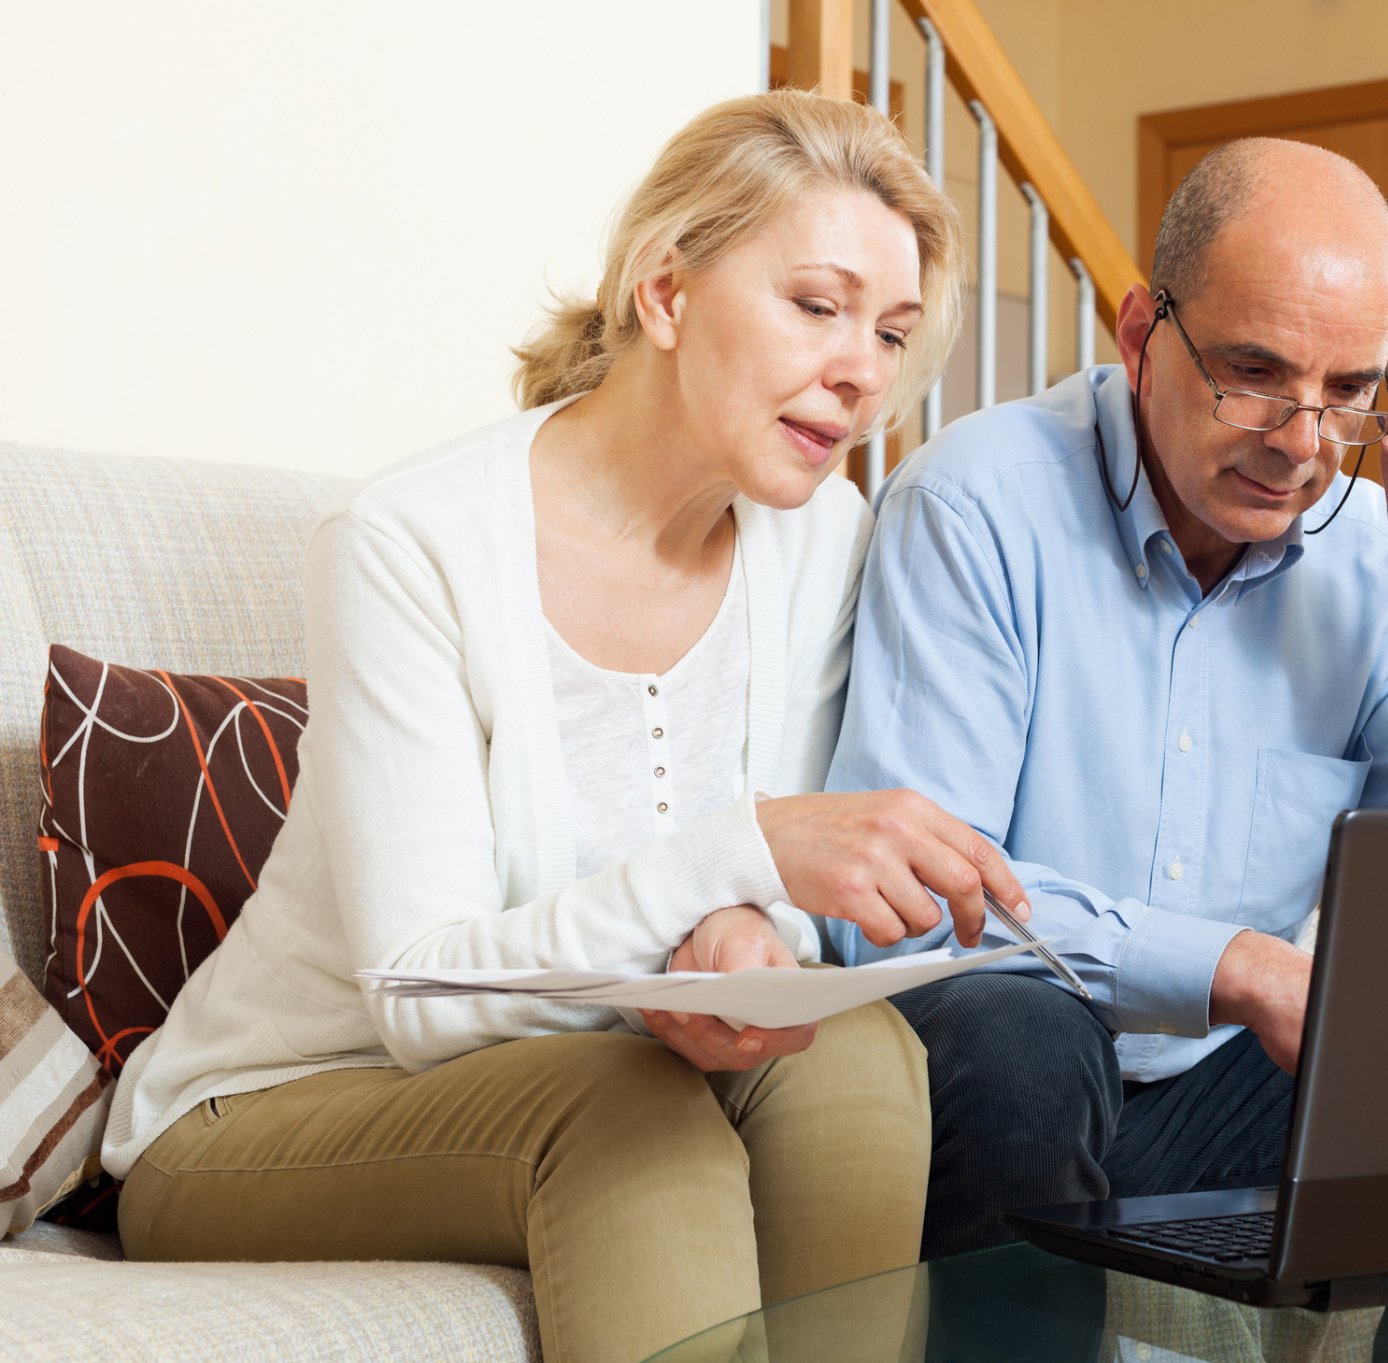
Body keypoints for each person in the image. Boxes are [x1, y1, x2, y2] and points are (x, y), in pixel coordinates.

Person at [103, 90, 1030, 1363]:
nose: (862, 369)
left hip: (601, 1061)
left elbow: (764, 890)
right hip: (268, 1109)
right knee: (627, 1114)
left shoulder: (822, 541)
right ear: (664, 291)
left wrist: (750, 934)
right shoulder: (409, 545)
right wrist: (742, 858)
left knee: (858, 1055)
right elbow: (422, 993)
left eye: (891, 330)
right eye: (816, 306)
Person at [825, 138, 1388, 1259]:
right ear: (1140, 338)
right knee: (1024, 1036)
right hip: (988, 1064)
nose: (1304, 447)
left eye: (1348, 394)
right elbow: (912, 904)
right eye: (1256, 374)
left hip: (1209, 1088)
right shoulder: (977, 503)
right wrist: (1237, 968)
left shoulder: (1377, 560)